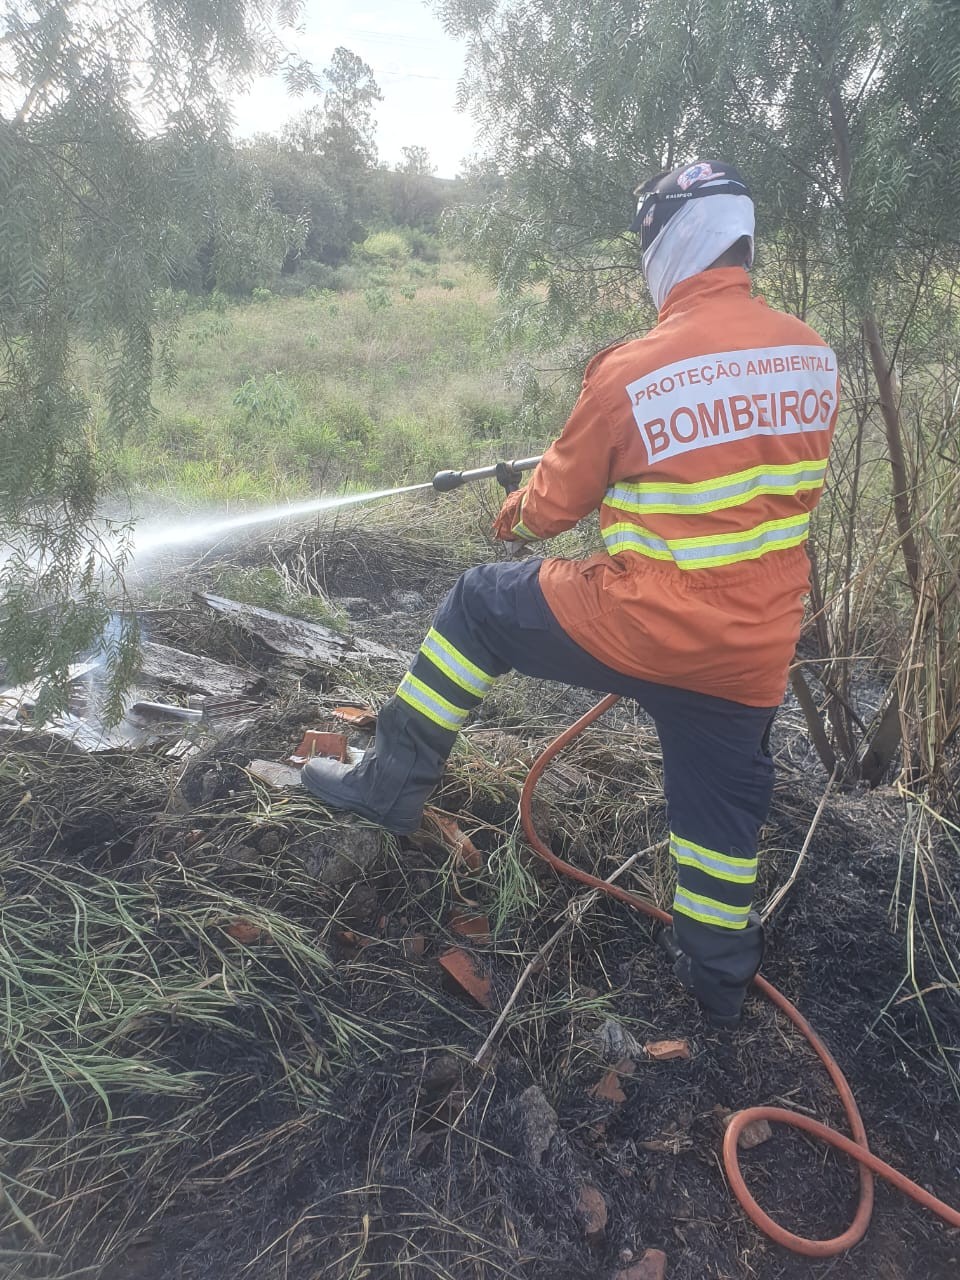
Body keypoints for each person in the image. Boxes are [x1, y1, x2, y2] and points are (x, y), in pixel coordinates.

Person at [303, 160, 839, 1029]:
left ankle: (388, 785)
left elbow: (553, 507)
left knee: (479, 605)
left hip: (644, 624)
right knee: (719, 827)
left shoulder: (634, 372)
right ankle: (718, 981)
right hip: (751, 654)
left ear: (668, 244)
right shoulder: (813, 356)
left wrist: (513, 511)